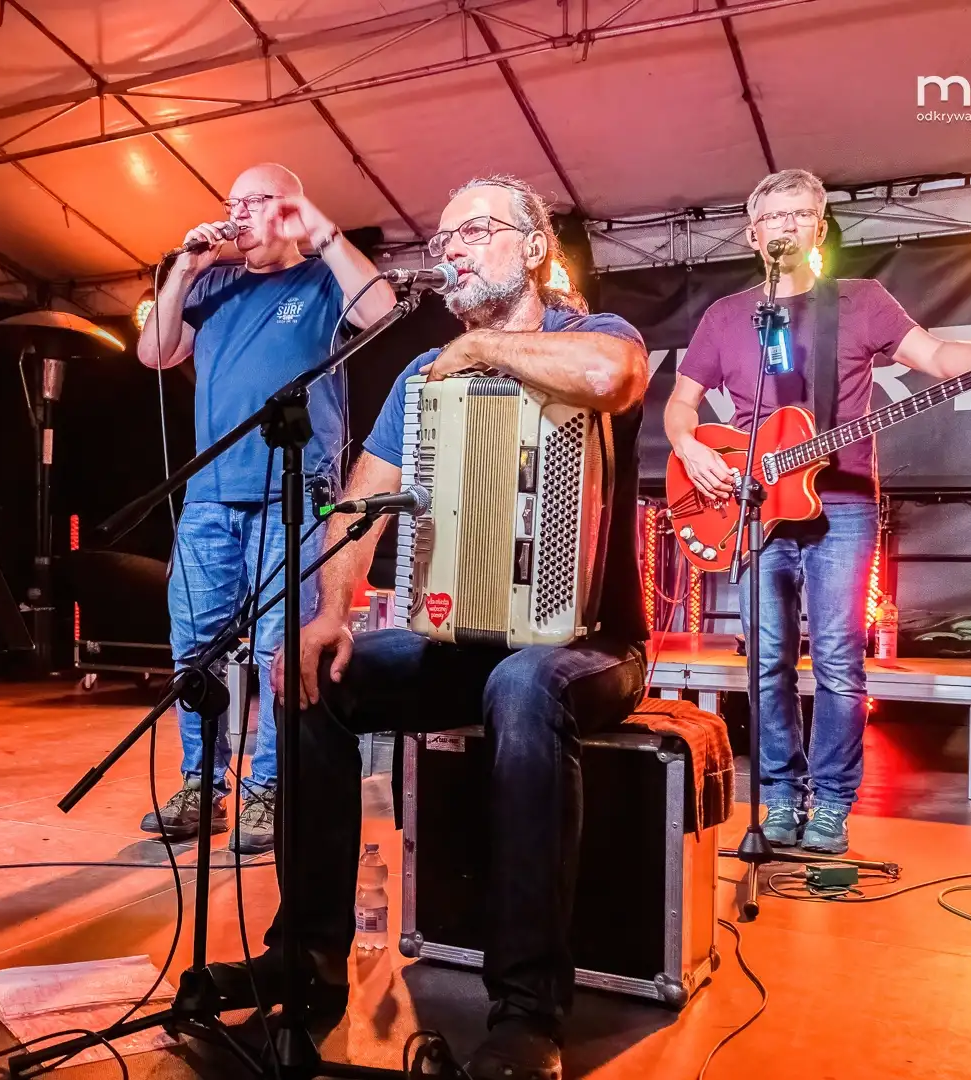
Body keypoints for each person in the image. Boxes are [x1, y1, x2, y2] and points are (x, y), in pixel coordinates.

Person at [206, 174, 650, 1080]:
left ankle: (527, 1014)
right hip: (464, 641)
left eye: (475, 231)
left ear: (535, 248)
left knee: (525, 683)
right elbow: (359, 504)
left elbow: (611, 379)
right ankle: (307, 958)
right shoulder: (421, 375)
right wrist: (329, 616)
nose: (452, 250)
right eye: (444, 240)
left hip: (592, 645)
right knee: (314, 676)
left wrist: (482, 346)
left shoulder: (594, 332)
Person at [666, 168, 971, 855]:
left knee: (837, 660)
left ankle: (830, 803)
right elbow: (681, 405)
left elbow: (936, 355)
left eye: (800, 214)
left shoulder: (861, 301)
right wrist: (690, 445)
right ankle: (777, 798)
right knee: (766, 662)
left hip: (845, 503)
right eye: (774, 217)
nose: (787, 225)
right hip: (752, 505)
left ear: (820, 228)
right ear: (752, 235)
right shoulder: (726, 316)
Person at [136, 163, 396, 854]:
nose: (238, 214)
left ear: (289, 208)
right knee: (195, 647)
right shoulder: (212, 284)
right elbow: (154, 352)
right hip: (209, 498)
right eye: (232, 202)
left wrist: (321, 229)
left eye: (255, 201)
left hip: (295, 496)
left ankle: (270, 788)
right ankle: (202, 784)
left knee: (284, 649)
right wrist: (185, 270)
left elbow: (381, 312)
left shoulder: (320, 280)